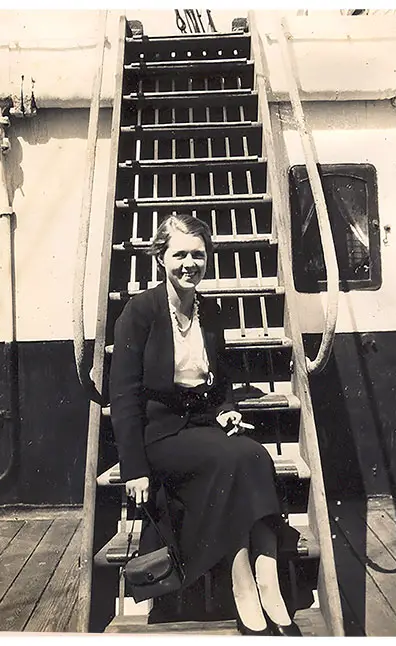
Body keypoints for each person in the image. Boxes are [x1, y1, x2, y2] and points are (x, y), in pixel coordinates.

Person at [109, 213, 301, 636]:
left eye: (198, 255)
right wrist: (135, 469)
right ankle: (241, 581)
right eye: (179, 254)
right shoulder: (138, 313)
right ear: (161, 257)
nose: (189, 264)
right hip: (159, 433)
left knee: (252, 454)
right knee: (227, 462)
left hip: (200, 424)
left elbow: (221, 382)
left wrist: (226, 408)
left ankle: (266, 574)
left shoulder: (210, 312)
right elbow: (122, 398)